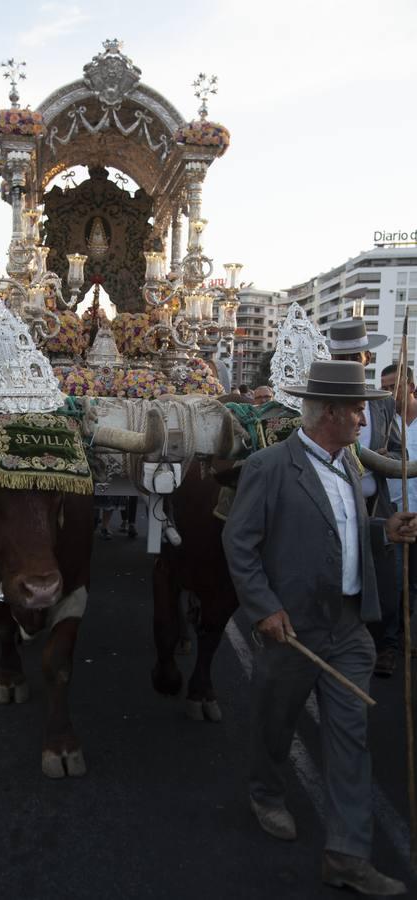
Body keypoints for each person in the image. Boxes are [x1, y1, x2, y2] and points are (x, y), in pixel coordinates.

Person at [223, 360, 415, 896]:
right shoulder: (269, 466)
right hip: (293, 627)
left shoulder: (350, 465)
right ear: (329, 411)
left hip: (350, 627)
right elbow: (239, 544)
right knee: (275, 723)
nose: (364, 416)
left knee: (351, 739)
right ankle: (265, 791)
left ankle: (347, 856)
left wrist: (386, 530)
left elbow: (346, 531)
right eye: (357, 408)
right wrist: (263, 608)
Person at [328, 318, 401, 676]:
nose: (349, 363)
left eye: (353, 357)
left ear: (366, 358)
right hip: (334, 501)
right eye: (340, 358)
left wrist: (389, 459)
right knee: (340, 571)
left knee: (386, 579)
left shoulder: (383, 403)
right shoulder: (322, 403)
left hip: (376, 501)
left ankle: (385, 646)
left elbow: (399, 451)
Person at [380, 362, 417, 662]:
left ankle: (408, 639)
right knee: (393, 583)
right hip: (393, 514)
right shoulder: (382, 422)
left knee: (414, 583)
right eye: (385, 388)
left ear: (411, 387)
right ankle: (390, 645)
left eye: (394, 387)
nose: (389, 394)